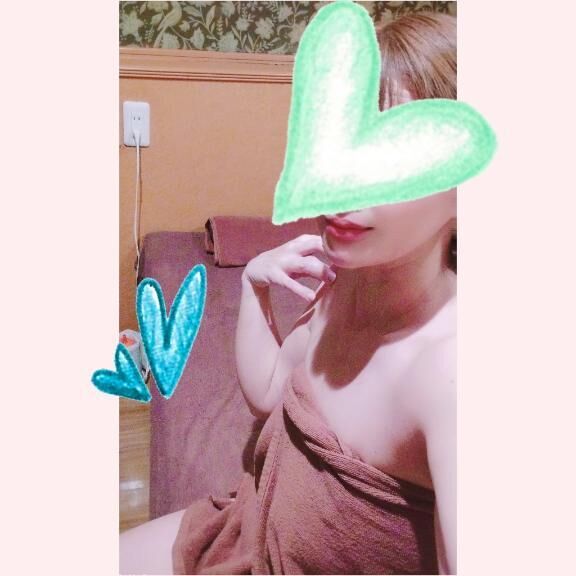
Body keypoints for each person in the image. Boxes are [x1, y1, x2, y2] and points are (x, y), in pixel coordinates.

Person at [120, 12, 457, 575]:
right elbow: (274, 392)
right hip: (245, 529)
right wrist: (253, 285)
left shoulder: (449, 371)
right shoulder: (345, 284)